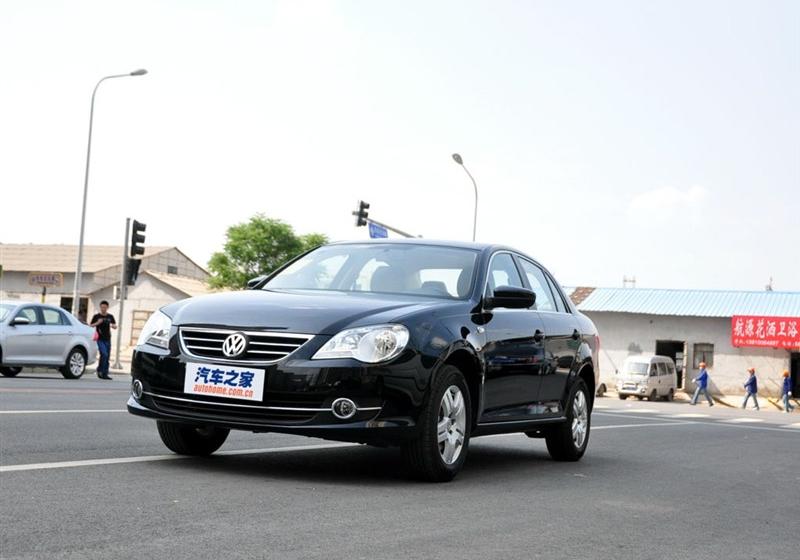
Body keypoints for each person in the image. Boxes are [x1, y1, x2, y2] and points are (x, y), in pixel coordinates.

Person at [90, 301, 117, 380]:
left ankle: (105, 373)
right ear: (100, 307)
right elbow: (91, 325)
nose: (103, 309)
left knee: (107, 356)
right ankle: (99, 370)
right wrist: (97, 323)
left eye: (105, 307)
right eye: (102, 307)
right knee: (104, 354)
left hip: (108, 338)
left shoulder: (110, 316)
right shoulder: (96, 316)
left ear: (107, 307)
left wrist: (113, 326)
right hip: (99, 339)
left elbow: (115, 325)